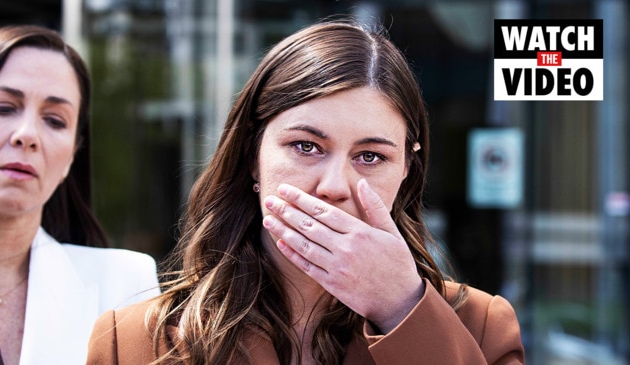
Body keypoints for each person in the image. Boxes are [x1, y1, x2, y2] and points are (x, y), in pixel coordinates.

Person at [87, 20, 525, 364]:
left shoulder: (481, 328)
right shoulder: (132, 343)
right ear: (251, 155)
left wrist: (402, 310)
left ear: (407, 172)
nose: (334, 187)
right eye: (306, 147)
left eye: (370, 156)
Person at [0, 25, 161, 365]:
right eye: (4, 107)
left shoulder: (124, 283)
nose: (27, 135)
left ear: (72, 156)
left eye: (54, 120)